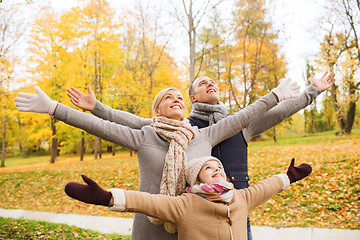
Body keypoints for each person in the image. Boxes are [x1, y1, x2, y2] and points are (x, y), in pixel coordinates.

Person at [14, 81, 299, 240]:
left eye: (179, 97)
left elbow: (244, 116)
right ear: (157, 109)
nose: (176, 99)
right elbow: (97, 127)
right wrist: (53, 107)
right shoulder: (144, 135)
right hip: (151, 227)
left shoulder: (204, 136)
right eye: (168, 97)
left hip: (197, 230)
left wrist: (275, 96)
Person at [66, 72, 335, 239]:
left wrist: (312, 92)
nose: (211, 84)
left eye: (213, 82)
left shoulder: (240, 124)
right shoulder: (183, 128)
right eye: (202, 83)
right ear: (192, 97)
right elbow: (133, 122)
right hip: (190, 213)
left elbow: (278, 111)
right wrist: (97, 108)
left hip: (235, 208)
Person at [64, 156, 312, 240]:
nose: (217, 169)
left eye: (219, 166)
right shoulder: (185, 204)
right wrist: (105, 197)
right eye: (209, 168)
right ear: (197, 181)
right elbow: (146, 202)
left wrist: (289, 176)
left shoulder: (240, 197)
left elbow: (267, 187)